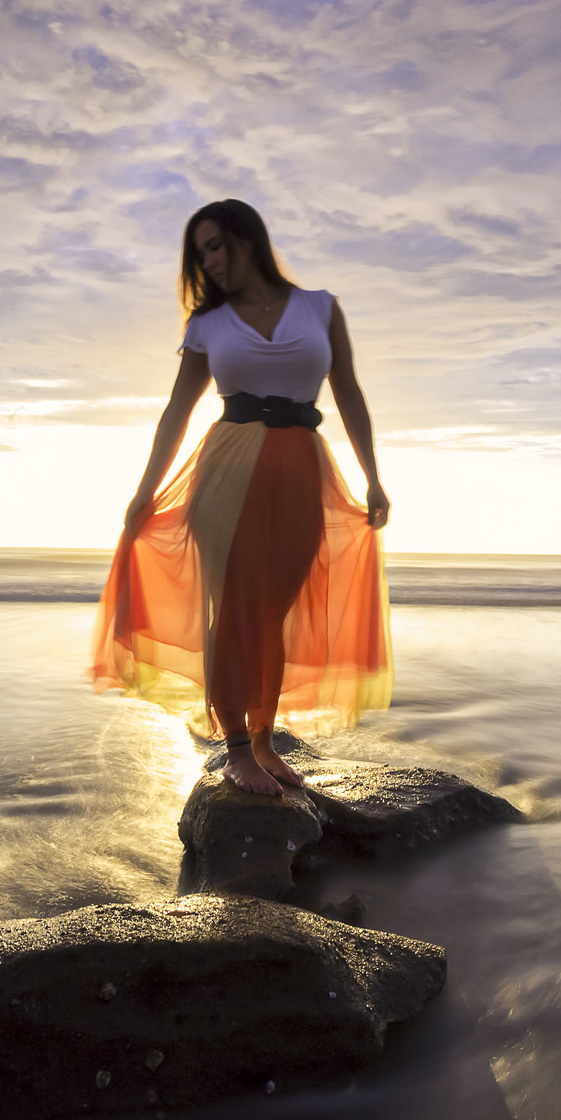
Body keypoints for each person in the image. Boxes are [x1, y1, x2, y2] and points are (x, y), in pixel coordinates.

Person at [92, 199, 392, 796]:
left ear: (247, 239)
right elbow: (177, 410)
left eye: (217, 246)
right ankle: (235, 749)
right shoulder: (207, 324)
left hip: (304, 468)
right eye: (200, 253)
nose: (210, 261)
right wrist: (144, 490)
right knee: (232, 608)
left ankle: (262, 740)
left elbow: (350, 394)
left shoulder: (320, 308)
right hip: (227, 470)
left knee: (274, 613)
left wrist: (373, 477)